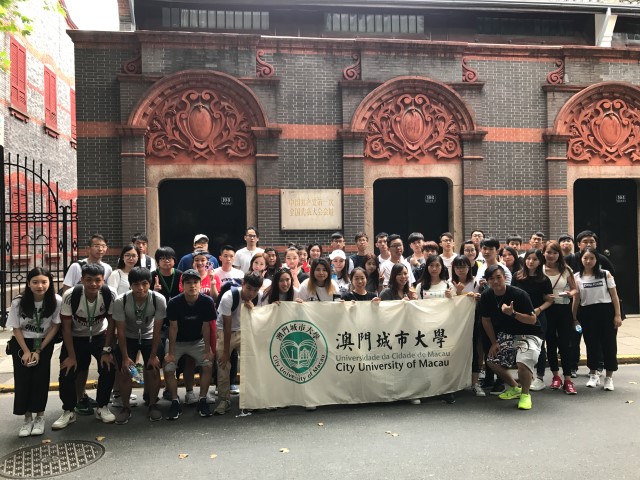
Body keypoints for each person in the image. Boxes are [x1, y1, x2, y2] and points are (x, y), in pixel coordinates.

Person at [53, 263, 117, 429]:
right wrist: (71, 356)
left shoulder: (109, 294)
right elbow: (66, 328)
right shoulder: (70, 295)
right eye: (88, 280)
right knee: (67, 371)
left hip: (99, 336)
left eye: (97, 280)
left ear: (103, 280)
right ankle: (68, 410)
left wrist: (107, 350)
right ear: (81, 279)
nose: (93, 284)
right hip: (75, 337)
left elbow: (112, 323)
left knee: (108, 367)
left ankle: (102, 406)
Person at [7, 268, 61, 436]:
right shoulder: (18, 302)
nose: (40, 286)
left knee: (40, 379)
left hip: (43, 343)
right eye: (35, 282)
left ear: (50, 283)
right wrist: (25, 351)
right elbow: (16, 328)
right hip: (22, 342)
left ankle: (39, 417)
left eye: (44, 282)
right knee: (23, 380)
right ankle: (27, 419)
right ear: (28, 284)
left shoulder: (56, 300)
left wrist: (38, 350)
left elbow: (55, 327)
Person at [479, 264, 542, 410]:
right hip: (507, 335)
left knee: (523, 361)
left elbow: (532, 320)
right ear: (487, 281)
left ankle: (525, 395)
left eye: (498, 277)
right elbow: (486, 320)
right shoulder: (486, 296)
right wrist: (494, 342)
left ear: (505, 277)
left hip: (529, 334)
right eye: (491, 279)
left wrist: (513, 314)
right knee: (492, 360)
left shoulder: (520, 294)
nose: (495, 281)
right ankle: (515, 388)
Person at [113, 267, 167, 423]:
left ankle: (152, 404)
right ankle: (126, 407)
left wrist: (153, 355)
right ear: (130, 285)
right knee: (125, 371)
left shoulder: (158, 299)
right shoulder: (121, 301)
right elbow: (120, 331)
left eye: (144, 283)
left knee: (153, 369)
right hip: (128, 336)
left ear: (150, 284)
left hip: (149, 336)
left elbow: (157, 330)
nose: (141, 288)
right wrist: (125, 357)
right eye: (136, 284)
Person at [164, 269, 215, 419]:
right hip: (177, 342)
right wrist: (171, 353)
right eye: (188, 282)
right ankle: (175, 401)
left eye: (195, 282)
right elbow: (173, 328)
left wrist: (208, 350)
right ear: (182, 285)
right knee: (168, 367)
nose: (192, 285)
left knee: (207, 364)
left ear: (200, 284)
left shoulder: (207, 302)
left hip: (197, 341)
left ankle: (202, 399)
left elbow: (206, 327)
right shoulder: (174, 303)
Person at [573, 247, 622, 391]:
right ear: (581, 259)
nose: (588, 261)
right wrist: (574, 317)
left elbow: (614, 296)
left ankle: (609, 378)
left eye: (591, 258)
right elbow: (576, 299)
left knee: (609, 345)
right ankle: (593, 374)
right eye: (585, 258)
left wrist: (617, 315)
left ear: (597, 259)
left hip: (606, 312)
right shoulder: (577, 277)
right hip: (587, 314)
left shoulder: (605, 274)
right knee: (591, 344)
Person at [214, 272, 264, 415]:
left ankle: (250, 398)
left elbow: (260, 318)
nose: (251, 293)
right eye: (249, 288)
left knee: (251, 363)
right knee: (223, 364)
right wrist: (226, 353)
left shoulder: (258, 297)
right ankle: (224, 400)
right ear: (243, 284)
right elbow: (227, 325)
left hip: (245, 330)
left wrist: (253, 310)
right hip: (225, 331)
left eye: (255, 290)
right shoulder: (229, 297)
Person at [512, 249, 554, 391]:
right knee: (521, 345)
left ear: (540, 262)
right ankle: (526, 375)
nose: (531, 262)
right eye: (528, 258)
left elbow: (550, 300)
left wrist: (540, 309)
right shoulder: (517, 276)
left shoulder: (544, 279)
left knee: (539, 346)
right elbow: (512, 294)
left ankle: (540, 377)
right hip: (520, 316)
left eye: (535, 259)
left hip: (538, 316)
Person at [543, 241, 578, 394]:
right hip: (547, 309)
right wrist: (544, 296)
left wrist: (570, 293)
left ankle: (568, 379)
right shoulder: (539, 270)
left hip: (563, 309)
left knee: (565, 344)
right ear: (544, 253)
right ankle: (555, 376)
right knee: (550, 343)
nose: (551, 255)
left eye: (555, 253)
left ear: (559, 255)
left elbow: (575, 289)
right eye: (548, 252)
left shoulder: (566, 269)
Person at [450, 256, 484, 397]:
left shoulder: (475, 282)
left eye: (463, 266)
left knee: (474, 351)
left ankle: (475, 383)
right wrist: (458, 293)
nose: (461, 270)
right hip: (455, 323)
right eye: (457, 267)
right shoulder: (449, 283)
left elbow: (481, 301)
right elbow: (449, 305)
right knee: (456, 351)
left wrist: (478, 296)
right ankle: (455, 383)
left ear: (469, 268)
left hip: (473, 321)